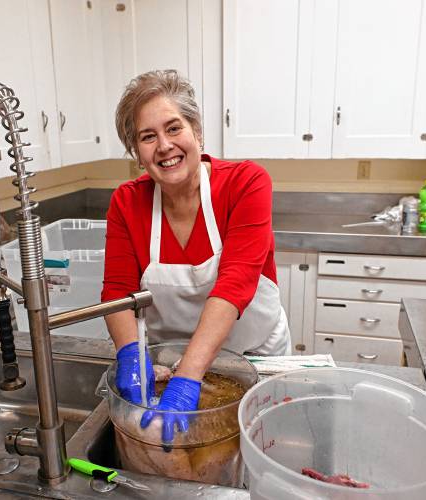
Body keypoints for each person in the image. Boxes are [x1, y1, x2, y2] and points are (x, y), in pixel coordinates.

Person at [102, 69, 290, 443]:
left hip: (255, 359)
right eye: (147, 136)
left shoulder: (246, 183)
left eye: (174, 128)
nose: (165, 146)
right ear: (136, 152)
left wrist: (190, 378)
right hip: (169, 367)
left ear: (197, 132)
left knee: (263, 455)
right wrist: (131, 357)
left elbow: (234, 284)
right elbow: (117, 293)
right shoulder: (127, 202)